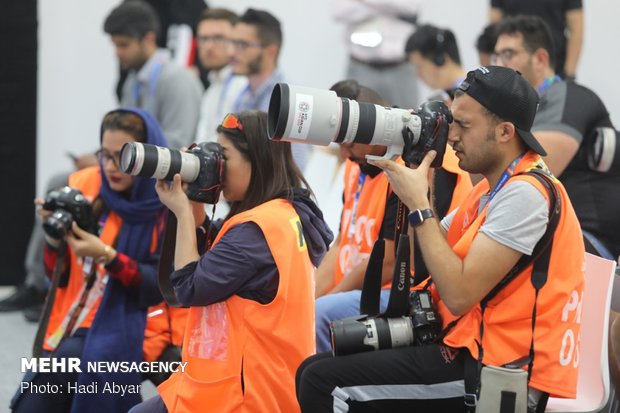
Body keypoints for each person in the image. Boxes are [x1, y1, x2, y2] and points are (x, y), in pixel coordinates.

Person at [296, 66, 585, 411]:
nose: (451, 136)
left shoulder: (527, 194)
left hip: (497, 370)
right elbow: (428, 256)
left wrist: (418, 204)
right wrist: (421, 176)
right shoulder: (490, 190)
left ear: (505, 132)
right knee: (311, 368)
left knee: (322, 383)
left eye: (464, 125)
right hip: (464, 345)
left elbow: (459, 294)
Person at [131, 111, 333, 413]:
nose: (217, 168)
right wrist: (195, 202)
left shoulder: (256, 232)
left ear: (258, 161)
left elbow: (189, 287)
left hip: (244, 396)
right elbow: (221, 256)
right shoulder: (281, 214)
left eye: (223, 157)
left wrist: (183, 212)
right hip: (253, 381)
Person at [11, 109, 185, 413]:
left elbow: (157, 287)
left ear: (146, 156)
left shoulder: (168, 200)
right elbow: (58, 277)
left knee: (62, 373)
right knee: (40, 394)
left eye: (123, 157)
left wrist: (107, 255)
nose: (111, 167)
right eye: (104, 155)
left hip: (141, 322)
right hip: (79, 316)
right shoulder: (86, 183)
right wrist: (54, 240)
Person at [314, 80, 472, 353]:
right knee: (305, 306)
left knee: (322, 313)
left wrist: (324, 301)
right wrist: (311, 295)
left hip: (400, 292)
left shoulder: (415, 166)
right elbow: (342, 242)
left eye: (349, 142)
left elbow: (389, 262)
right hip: (355, 289)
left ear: (374, 125)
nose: (345, 153)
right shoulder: (357, 164)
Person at [493, 15, 620, 259]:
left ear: (540, 59)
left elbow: (537, 169)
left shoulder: (567, 96)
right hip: (549, 231)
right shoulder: (522, 111)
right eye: (496, 56)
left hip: (588, 240)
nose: (499, 64)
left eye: (508, 54)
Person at [104, 0, 203, 150]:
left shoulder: (177, 80)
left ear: (149, 39)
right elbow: (122, 134)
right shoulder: (132, 81)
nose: (117, 53)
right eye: (115, 45)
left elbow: (178, 146)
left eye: (124, 45)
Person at [229, 8, 312, 171]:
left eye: (243, 45)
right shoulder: (243, 94)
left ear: (271, 51)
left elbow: (293, 171)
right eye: (233, 43)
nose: (232, 52)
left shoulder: (291, 102)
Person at [332, 0, 420, 109]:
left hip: (401, 69)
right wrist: (391, 9)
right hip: (361, 67)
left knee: (408, 121)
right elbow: (339, 11)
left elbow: (412, 6)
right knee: (355, 119)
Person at [489, 0, 583, 79]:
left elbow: (576, 31)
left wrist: (569, 74)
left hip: (554, 65)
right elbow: (494, 27)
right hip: (512, 64)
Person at [194, 8, 248, 142]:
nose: (209, 46)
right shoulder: (212, 88)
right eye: (203, 38)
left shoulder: (244, 85)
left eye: (218, 38)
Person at [405, 24, 467, 103]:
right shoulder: (447, 98)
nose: (418, 75)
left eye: (419, 66)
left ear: (439, 60)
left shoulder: (470, 99)